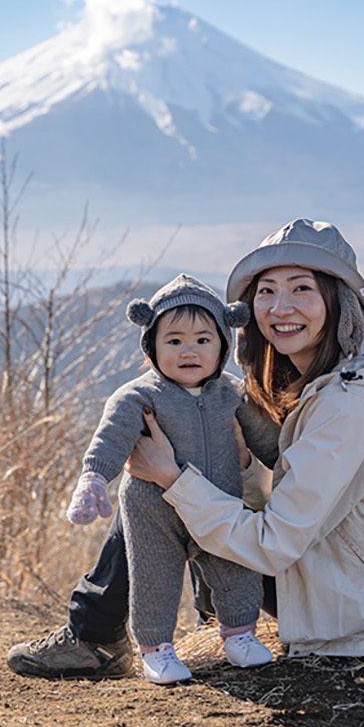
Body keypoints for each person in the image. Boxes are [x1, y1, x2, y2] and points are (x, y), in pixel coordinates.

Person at [6, 219, 364, 675]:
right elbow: (291, 489)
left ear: (340, 300)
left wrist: (174, 478)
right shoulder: (342, 372)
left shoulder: (350, 408)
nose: (280, 307)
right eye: (267, 291)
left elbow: (273, 542)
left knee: (161, 479)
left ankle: (94, 636)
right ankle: (109, 630)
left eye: (301, 290)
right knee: (168, 468)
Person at [61, 274, 276, 684]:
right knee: (154, 580)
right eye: (174, 341)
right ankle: (157, 649)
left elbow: (268, 441)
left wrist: (298, 463)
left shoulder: (234, 394)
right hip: (154, 511)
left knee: (237, 570)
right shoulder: (139, 395)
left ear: (223, 346)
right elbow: (111, 439)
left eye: (202, 340)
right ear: (152, 348)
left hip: (218, 503)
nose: (188, 350)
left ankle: (239, 635)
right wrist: (92, 479)